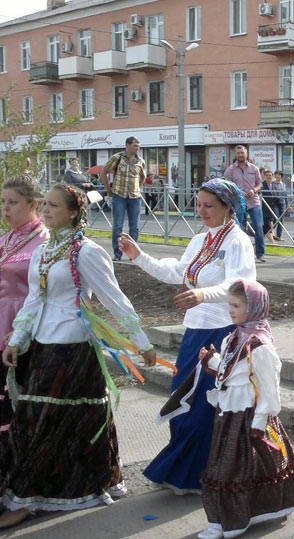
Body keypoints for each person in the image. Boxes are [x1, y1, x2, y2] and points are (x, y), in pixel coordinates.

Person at [0, 183, 156, 526]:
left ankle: (33, 499)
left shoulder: (86, 251)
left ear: (73, 212)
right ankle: (39, 492)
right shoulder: (45, 251)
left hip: (74, 345)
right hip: (42, 342)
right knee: (36, 418)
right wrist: (18, 339)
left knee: (59, 420)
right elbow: (33, 299)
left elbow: (114, 297)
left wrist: (140, 341)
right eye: (47, 206)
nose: (47, 211)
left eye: (54, 206)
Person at [121, 178, 257, 494]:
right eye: (199, 204)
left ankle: (204, 475)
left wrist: (202, 294)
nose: (202, 211)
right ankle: (185, 470)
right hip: (196, 331)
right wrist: (139, 256)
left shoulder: (238, 241)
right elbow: (177, 272)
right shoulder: (200, 240)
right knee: (183, 397)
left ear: (228, 206)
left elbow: (239, 285)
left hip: (224, 331)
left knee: (205, 406)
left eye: (209, 205)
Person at [196, 279, 294, 539]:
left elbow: (269, 388)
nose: (230, 310)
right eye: (229, 305)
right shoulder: (235, 335)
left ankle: (230, 521)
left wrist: (258, 423)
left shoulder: (260, 345)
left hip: (249, 414)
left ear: (254, 307)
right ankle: (223, 519)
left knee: (237, 467)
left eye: (236, 305)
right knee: (234, 465)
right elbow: (230, 367)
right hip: (229, 412)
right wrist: (211, 359)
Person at [0, 175, 49, 446]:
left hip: (27, 327)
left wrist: (21, 330)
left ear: (33, 204)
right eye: (3, 202)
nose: (6, 209)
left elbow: (45, 293)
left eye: (13, 202)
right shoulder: (5, 239)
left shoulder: (45, 241)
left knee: (23, 396)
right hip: (1, 322)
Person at [103, 136, 147, 262]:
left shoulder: (141, 161)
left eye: (138, 145)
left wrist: (137, 188)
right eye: (135, 145)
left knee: (135, 227)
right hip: (119, 196)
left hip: (134, 197)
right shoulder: (117, 158)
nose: (138, 148)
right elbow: (103, 172)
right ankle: (117, 253)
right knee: (117, 226)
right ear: (127, 145)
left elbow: (142, 177)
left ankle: (133, 255)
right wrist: (109, 190)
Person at [223, 146, 266, 263]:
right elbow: (226, 185)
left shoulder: (254, 168)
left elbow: (260, 184)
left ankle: (260, 254)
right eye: (238, 153)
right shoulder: (230, 169)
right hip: (238, 202)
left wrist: (254, 190)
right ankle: (243, 253)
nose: (240, 155)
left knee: (259, 226)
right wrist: (238, 191)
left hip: (254, 201)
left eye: (242, 153)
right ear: (235, 155)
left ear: (246, 154)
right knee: (240, 229)